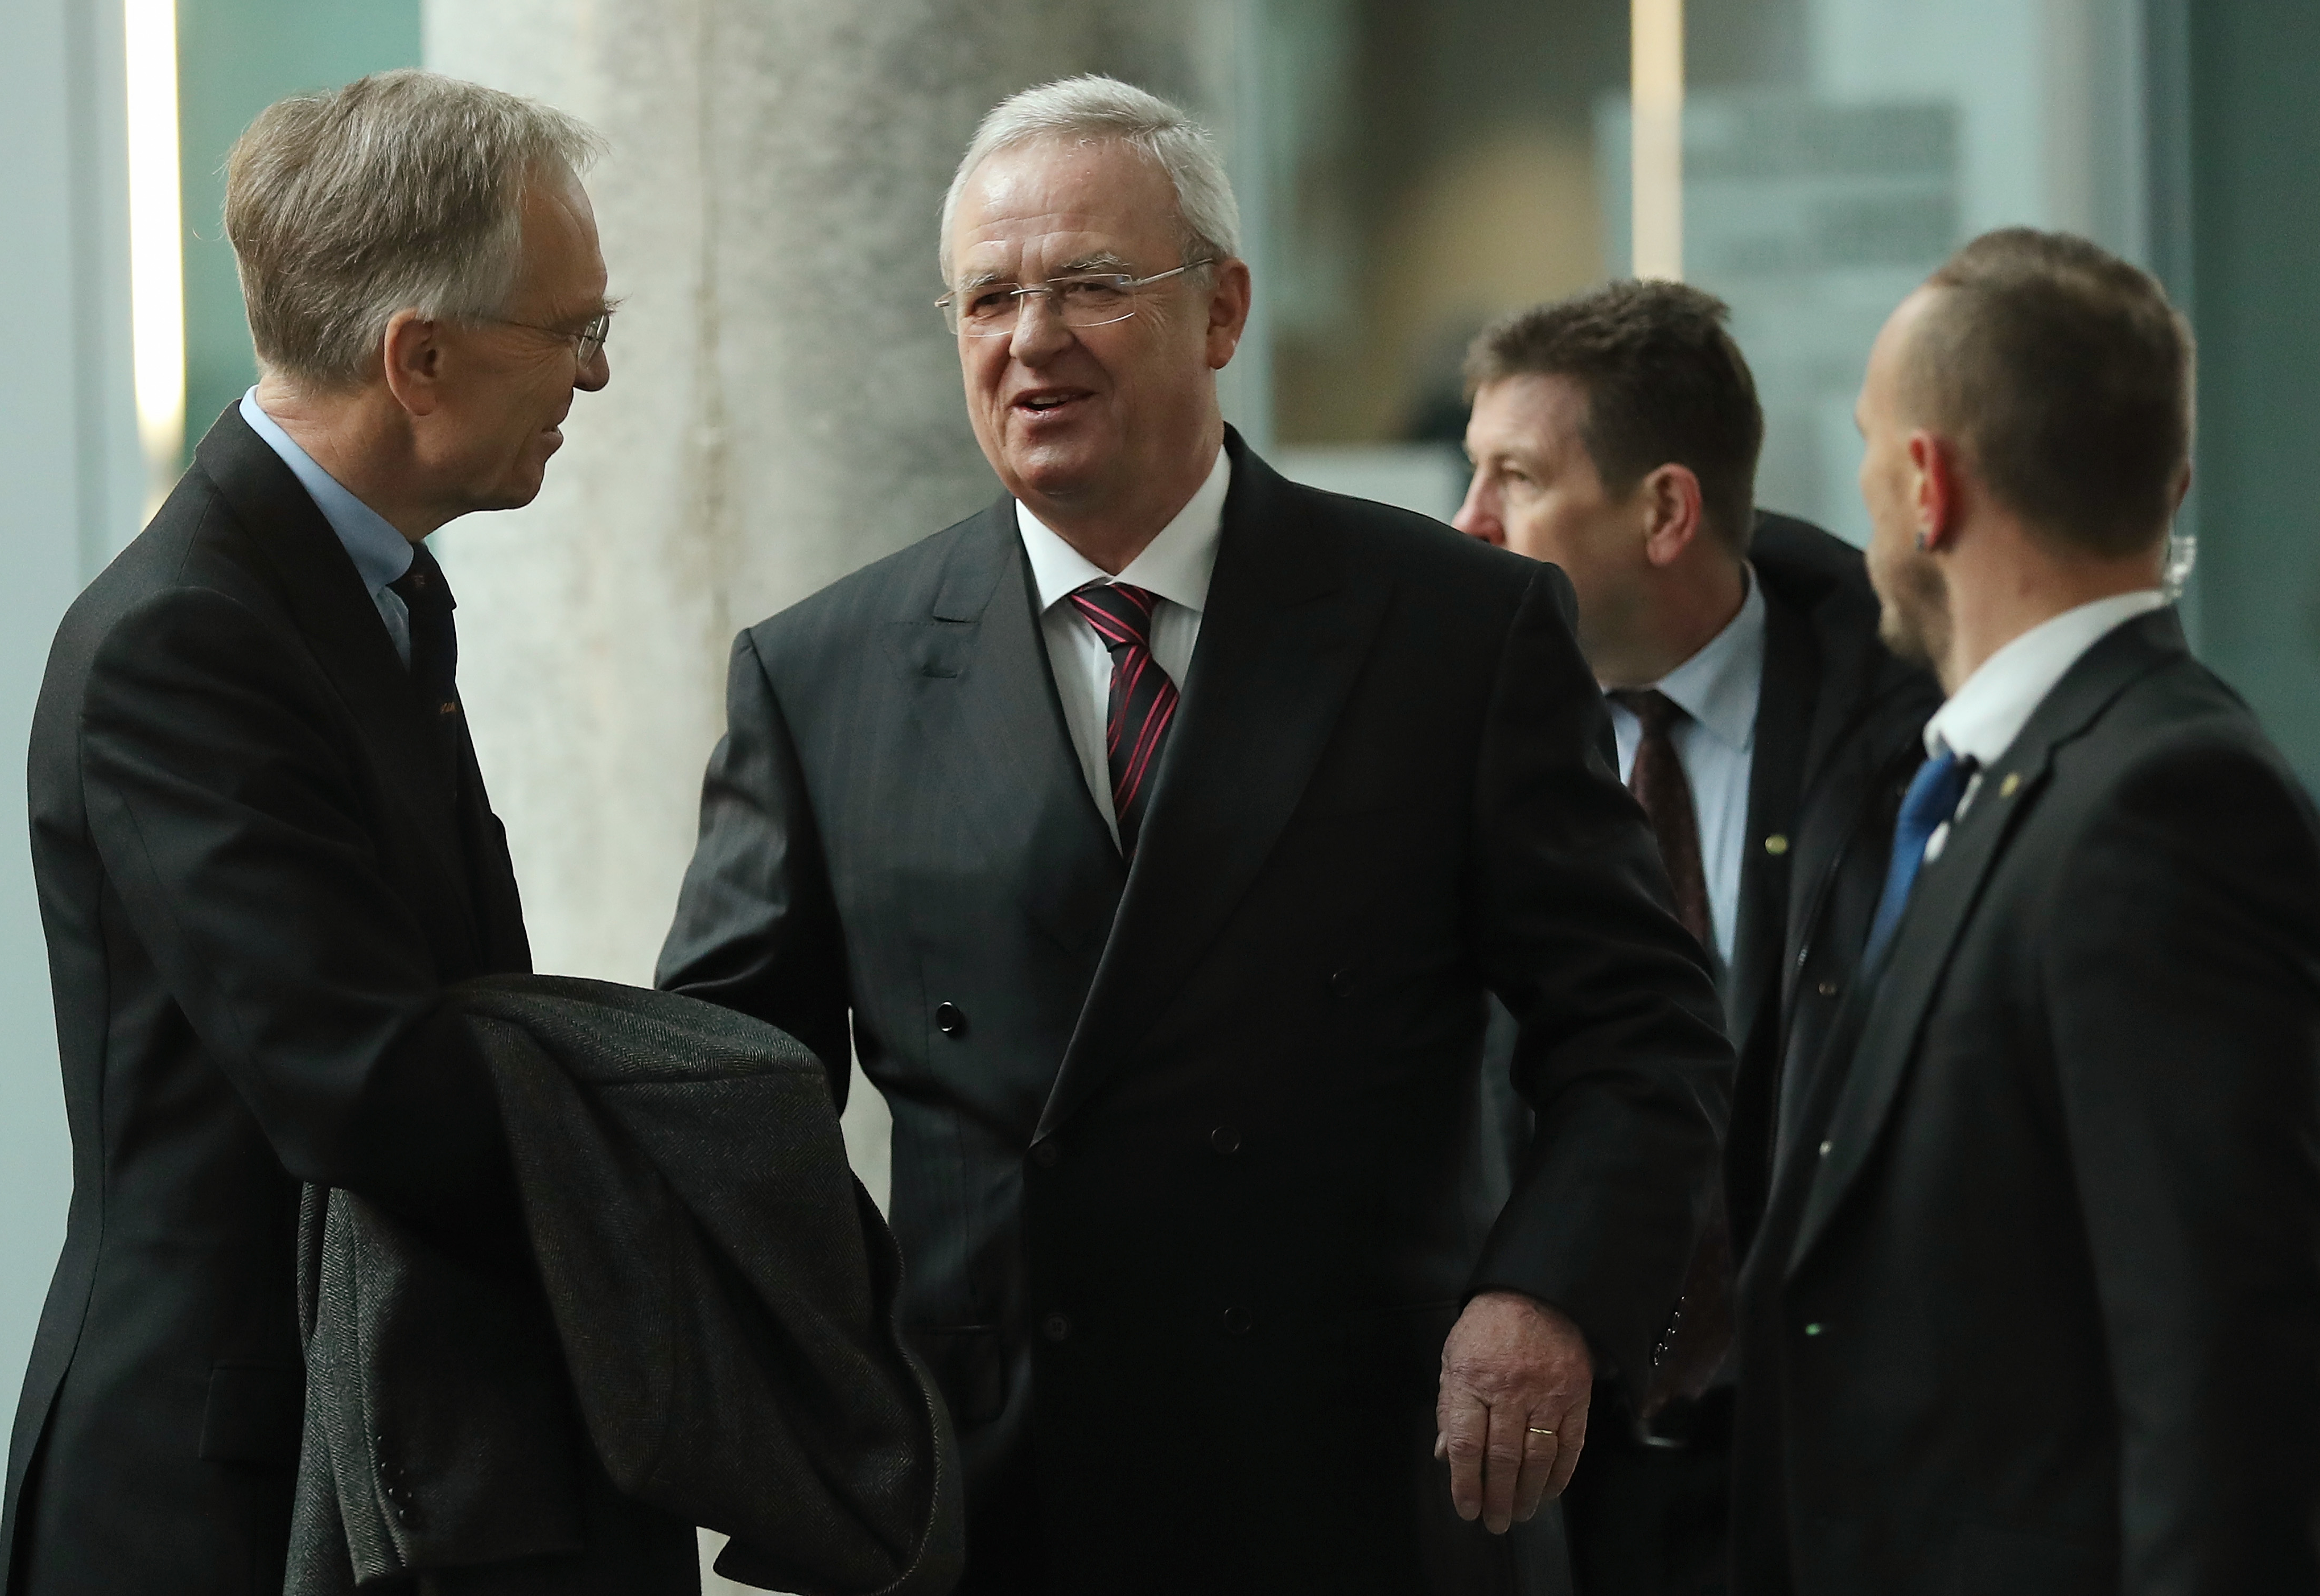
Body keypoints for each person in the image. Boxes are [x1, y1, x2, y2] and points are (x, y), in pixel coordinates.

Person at [659, 75, 1732, 1595]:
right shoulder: (820, 672)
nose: (1030, 337)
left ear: (1222, 309)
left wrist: (1544, 1297)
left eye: (1091, 283)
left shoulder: (1452, 628)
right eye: (988, 297)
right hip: (989, 1500)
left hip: (1371, 1477)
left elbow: (1640, 1028)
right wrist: (861, 1374)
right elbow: (720, 1095)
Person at [6, 71, 623, 1594]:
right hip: (220, 1490)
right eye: (571, 331)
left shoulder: (355, 585)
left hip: (372, 1448)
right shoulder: (189, 636)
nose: (594, 377)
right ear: (418, 358)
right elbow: (366, 1086)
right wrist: (687, 1139)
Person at [1734, 228, 2320, 1593]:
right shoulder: (1991, 783)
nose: (1866, 490)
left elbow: (2222, 1369)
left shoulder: (2163, 804)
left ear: (1929, 484)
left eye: (1874, 443)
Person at [1452, 283, 1938, 1596]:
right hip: (1547, 1464)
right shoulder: (1451, 740)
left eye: (1515, 477)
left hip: (1836, 1464)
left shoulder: (1919, 736)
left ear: (1665, 512)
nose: (1469, 524)